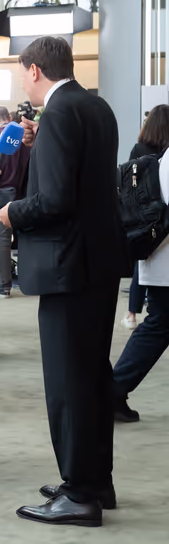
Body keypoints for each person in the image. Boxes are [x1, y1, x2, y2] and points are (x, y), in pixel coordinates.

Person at [0, 36, 124, 527]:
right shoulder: (95, 106)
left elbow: (52, 200)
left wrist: (11, 213)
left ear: (33, 70)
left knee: (69, 385)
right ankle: (95, 480)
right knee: (92, 376)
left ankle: (77, 494)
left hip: (67, 267)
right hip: (98, 262)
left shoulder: (56, 116)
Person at [113, 144, 169, 423]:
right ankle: (112, 390)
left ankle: (112, 390)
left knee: (159, 324)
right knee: (159, 324)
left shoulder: (164, 158)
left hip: (159, 258)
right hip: (164, 261)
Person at [121, 104, 169, 328]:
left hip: (143, 214)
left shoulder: (139, 148)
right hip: (163, 212)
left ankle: (131, 313)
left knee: (142, 263)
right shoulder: (166, 150)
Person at [0, 106, 31, 299]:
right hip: (22, 192)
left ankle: (4, 286)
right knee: (23, 238)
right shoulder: (23, 138)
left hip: (2, 192)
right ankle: (28, 282)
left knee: (3, 240)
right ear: (8, 117)